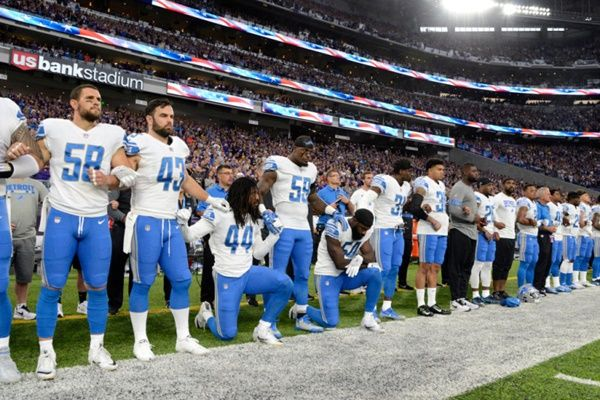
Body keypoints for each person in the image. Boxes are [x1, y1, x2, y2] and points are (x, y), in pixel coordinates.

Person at [34, 84, 137, 380]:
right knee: (52, 285)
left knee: (97, 285)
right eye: (90, 98)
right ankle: (46, 351)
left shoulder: (111, 133)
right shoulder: (53, 127)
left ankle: (97, 347)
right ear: (74, 103)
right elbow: (37, 160)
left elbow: (128, 172)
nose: (96, 102)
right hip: (62, 215)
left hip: (95, 219)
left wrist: (109, 178)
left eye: (99, 99)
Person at [123, 98, 229, 361]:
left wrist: (210, 199)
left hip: (170, 222)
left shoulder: (180, 146)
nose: (169, 120)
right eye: (163, 116)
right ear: (149, 118)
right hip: (145, 220)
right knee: (142, 281)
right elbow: (123, 170)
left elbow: (184, 178)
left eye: (171, 116)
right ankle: (141, 339)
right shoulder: (139, 142)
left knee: (181, 279)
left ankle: (182, 338)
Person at [180, 177, 292, 345]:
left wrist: (275, 234)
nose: (256, 198)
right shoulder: (220, 212)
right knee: (226, 334)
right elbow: (189, 236)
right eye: (252, 193)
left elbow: (259, 254)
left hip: (248, 273)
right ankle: (206, 314)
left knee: (285, 284)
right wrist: (182, 223)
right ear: (241, 194)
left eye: (257, 194)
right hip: (227, 276)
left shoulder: (252, 218)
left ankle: (262, 329)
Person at [258, 135, 344, 334]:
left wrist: (332, 212)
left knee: (303, 275)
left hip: (304, 229)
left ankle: (301, 316)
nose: (307, 155)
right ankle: (269, 321)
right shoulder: (278, 163)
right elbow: (260, 189)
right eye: (303, 151)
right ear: (294, 148)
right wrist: (264, 212)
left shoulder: (311, 169)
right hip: (283, 227)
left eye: (310, 152)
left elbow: (312, 198)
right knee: (277, 276)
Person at [0, 97, 43, 384]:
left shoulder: (5, 108)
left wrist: (7, 167)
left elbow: (37, 158)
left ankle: (2, 352)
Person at [308, 209, 383, 332]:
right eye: (362, 228)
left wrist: (360, 258)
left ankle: (368, 318)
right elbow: (339, 263)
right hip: (328, 275)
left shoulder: (366, 231)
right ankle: (301, 308)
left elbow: (371, 257)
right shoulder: (336, 226)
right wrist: (361, 264)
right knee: (330, 323)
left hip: (347, 275)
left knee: (375, 273)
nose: (364, 232)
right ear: (354, 221)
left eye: (366, 229)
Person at [357, 159, 413, 318]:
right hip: (383, 229)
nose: (411, 174)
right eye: (409, 170)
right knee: (382, 269)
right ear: (401, 171)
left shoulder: (406, 186)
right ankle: (371, 308)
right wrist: (362, 219)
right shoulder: (385, 180)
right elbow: (368, 197)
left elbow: (397, 206)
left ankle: (387, 307)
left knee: (395, 268)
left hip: (398, 230)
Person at [410, 159, 451, 316]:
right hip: (428, 230)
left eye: (443, 169)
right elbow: (415, 207)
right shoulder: (423, 181)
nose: (443, 171)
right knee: (424, 267)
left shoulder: (440, 185)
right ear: (429, 170)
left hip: (441, 231)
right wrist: (431, 220)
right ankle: (421, 304)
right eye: (439, 169)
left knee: (435, 267)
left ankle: (432, 302)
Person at [195, 164, 233, 316]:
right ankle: (206, 300)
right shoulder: (210, 192)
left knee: (229, 267)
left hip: (229, 236)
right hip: (213, 234)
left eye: (231, 173)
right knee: (210, 266)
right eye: (226, 173)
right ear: (218, 176)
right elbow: (199, 210)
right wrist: (218, 215)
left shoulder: (234, 192)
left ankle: (225, 299)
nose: (230, 176)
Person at [7, 178, 48, 320]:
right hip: (4, 237)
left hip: (28, 237)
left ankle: (21, 308)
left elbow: (51, 203)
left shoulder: (37, 184)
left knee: (24, 276)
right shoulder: (2, 181)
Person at [445, 163, 481, 312]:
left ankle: (462, 297)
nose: (476, 173)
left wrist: (475, 216)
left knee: (467, 268)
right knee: (457, 267)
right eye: (473, 170)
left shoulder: (469, 189)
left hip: (471, 233)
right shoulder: (459, 187)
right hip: (460, 231)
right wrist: (472, 218)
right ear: (465, 172)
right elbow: (453, 209)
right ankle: (454, 300)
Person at [469, 178, 497, 306]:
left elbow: (492, 219)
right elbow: (472, 216)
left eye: (492, 185)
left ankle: (485, 293)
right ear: (480, 185)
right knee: (478, 264)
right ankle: (475, 294)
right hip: (480, 234)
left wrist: (495, 231)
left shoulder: (491, 199)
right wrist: (483, 229)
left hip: (490, 234)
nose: (492, 187)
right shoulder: (477, 196)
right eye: (489, 185)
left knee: (488, 265)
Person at [490, 178, 517, 300]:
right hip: (501, 235)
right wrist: (495, 227)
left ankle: (502, 290)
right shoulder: (497, 198)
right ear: (503, 184)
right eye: (508, 183)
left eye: (513, 183)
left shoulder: (513, 200)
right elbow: (489, 212)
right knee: (498, 264)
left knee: (507, 264)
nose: (511, 185)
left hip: (511, 235)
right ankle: (495, 290)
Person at [106, 188, 131, 314]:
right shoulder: (121, 184)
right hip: (121, 228)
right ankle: (113, 303)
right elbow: (109, 207)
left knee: (138, 269)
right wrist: (124, 218)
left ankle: (136, 303)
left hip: (139, 229)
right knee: (116, 267)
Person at [516, 184, 541, 303]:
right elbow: (520, 218)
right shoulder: (524, 201)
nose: (534, 192)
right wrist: (532, 222)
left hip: (533, 235)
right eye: (531, 190)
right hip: (526, 234)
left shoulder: (533, 203)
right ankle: (521, 290)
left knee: (532, 263)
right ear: (524, 191)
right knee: (525, 263)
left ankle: (529, 289)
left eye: (535, 190)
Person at [532, 187, 556, 295]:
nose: (550, 196)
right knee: (542, 260)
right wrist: (547, 228)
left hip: (548, 235)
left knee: (548, 260)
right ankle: (537, 285)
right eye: (548, 194)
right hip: (541, 234)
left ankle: (542, 285)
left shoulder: (546, 207)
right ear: (541, 195)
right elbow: (536, 222)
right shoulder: (537, 206)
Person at [546, 189, 569, 293]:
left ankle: (556, 283)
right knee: (550, 260)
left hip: (560, 235)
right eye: (557, 194)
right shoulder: (549, 205)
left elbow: (563, 218)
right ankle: (546, 284)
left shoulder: (559, 206)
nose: (560, 196)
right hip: (552, 235)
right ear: (551, 195)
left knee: (557, 261)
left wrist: (565, 219)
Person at [559, 192, 581, 289]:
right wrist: (568, 220)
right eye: (578, 199)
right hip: (566, 234)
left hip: (574, 235)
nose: (579, 201)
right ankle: (562, 282)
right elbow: (563, 217)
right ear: (573, 198)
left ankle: (568, 282)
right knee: (566, 259)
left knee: (571, 260)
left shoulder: (577, 208)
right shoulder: (566, 206)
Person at [574, 191, 593, 287]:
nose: (588, 196)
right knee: (579, 256)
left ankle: (583, 279)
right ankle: (575, 279)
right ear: (580, 197)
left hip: (588, 234)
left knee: (586, 257)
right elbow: (581, 223)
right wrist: (587, 222)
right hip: (582, 234)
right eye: (586, 195)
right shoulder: (581, 206)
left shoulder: (588, 206)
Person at [591, 196, 600, 285]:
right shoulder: (596, 208)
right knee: (597, 257)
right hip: (597, 235)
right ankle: (595, 277)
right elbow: (595, 223)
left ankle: (598, 276)